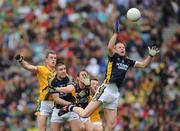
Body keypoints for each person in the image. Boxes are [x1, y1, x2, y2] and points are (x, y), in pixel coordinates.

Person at [63, 20, 160, 131]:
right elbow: (109, 47)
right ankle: (70, 107)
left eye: (123, 47)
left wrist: (150, 56)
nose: (122, 48)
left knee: (111, 125)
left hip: (115, 93)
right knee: (85, 114)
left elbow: (143, 65)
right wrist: (116, 34)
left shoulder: (128, 61)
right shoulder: (113, 57)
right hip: (106, 89)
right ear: (115, 50)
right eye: (119, 47)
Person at [15, 51, 57, 131]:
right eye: (51, 58)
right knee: (42, 128)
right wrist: (21, 60)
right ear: (46, 60)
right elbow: (29, 67)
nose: (53, 60)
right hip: (44, 103)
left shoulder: (59, 72)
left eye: (55, 58)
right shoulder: (42, 69)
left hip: (57, 102)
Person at [49, 62, 83, 131]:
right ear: (56, 71)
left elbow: (69, 89)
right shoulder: (52, 81)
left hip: (71, 109)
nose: (64, 71)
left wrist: (56, 88)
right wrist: (70, 104)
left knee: (79, 129)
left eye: (64, 69)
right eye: (61, 69)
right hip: (58, 109)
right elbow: (56, 99)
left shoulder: (69, 78)